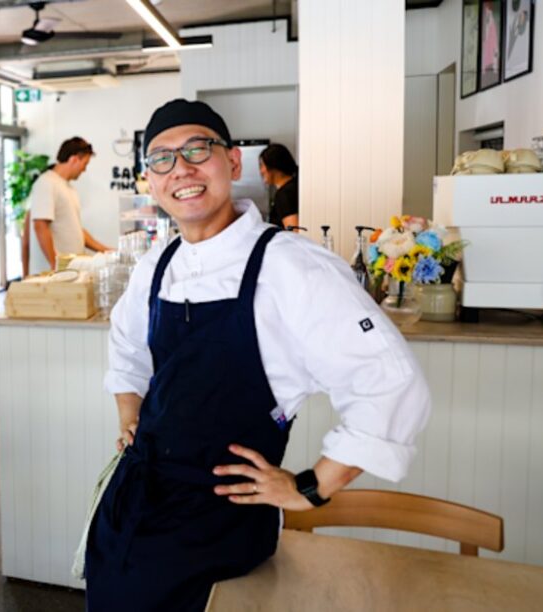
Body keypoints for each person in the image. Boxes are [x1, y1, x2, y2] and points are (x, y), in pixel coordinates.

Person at [85, 99, 430, 611]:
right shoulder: (158, 265)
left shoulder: (290, 266)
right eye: (162, 158)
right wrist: (129, 413)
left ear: (233, 163)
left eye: (198, 149)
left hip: (219, 528)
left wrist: (311, 488)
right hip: (132, 506)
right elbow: (127, 344)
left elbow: (391, 382)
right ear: (150, 180)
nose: (181, 168)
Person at [26, 137, 112, 274]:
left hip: (70, 270)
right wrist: (55, 265)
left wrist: (106, 251)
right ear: (74, 159)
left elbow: (76, 230)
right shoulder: (46, 183)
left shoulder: (68, 188)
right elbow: (40, 226)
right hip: (54, 275)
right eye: (85, 163)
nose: (84, 169)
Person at [258, 143, 299, 229]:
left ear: (273, 166)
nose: (261, 171)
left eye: (262, 165)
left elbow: (294, 233)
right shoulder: (294, 186)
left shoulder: (284, 195)